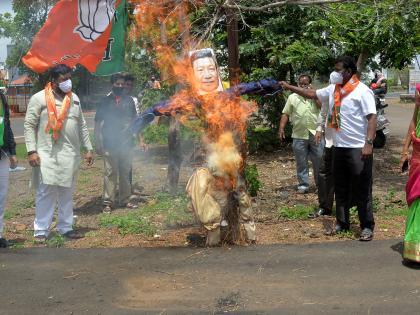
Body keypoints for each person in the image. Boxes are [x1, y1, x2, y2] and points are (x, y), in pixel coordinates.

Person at [132, 48, 283, 246]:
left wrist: (274, 85)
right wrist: (140, 122)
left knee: (242, 197)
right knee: (212, 196)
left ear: (217, 70)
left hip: (231, 156)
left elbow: (254, 87)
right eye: (201, 70)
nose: (208, 74)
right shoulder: (191, 101)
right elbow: (160, 108)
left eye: (211, 68)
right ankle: (214, 241)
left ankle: (248, 239)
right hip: (213, 160)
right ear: (193, 75)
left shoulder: (229, 94)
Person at [280, 56, 377, 241]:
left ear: (348, 71)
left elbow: (372, 118)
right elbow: (311, 94)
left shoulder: (362, 91)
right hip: (338, 147)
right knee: (340, 186)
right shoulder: (334, 89)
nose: (335, 73)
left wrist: (369, 143)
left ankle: (366, 226)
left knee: (362, 188)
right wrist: (289, 86)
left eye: (338, 70)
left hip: (358, 148)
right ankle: (342, 223)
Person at [24, 64, 93, 243]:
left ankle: (65, 228)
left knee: (66, 192)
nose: (67, 82)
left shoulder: (74, 99)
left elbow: (82, 125)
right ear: (53, 81)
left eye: (69, 78)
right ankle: (41, 230)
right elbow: (29, 125)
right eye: (63, 79)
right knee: (45, 192)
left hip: (70, 154)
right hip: (46, 153)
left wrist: (88, 148)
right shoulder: (38, 98)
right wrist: (31, 151)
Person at [95, 73, 138, 213]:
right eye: (117, 84)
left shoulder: (129, 101)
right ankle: (108, 202)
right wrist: (97, 142)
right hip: (109, 142)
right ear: (112, 84)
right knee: (110, 172)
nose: (120, 86)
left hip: (126, 143)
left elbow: (134, 120)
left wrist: (131, 130)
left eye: (122, 84)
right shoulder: (105, 101)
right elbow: (97, 122)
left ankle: (125, 199)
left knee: (125, 172)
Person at [279, 74, 323, 194]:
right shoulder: (292, 97)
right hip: (299, 134)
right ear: (298, 84)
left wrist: (314, 96)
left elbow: (322, 107)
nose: (303, 86)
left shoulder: (316, 96)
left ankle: (320, 185)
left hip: (316, 133)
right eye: (301, 84)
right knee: (301, 161)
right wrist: (281, 128)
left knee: (318, 160)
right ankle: (303, 185)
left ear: (310, 84)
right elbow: (286, 113)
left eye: (306, 84)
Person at [400, 83, 420, 262]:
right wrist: (404, 150)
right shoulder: (419, 89)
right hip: (418, 153)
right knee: (417, 196)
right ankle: (415, 248)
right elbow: (414, 121)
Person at [308, 98, 335, 218]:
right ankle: (325, 207)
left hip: (350, 144)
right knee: (323, 173)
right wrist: (319, 128)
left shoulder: (360, 91)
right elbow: (324, 111)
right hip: (331, 142)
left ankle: (348, 208)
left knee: (346, 175)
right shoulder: (331, 91)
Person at [0, 91, 17, 248]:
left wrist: (12, 152)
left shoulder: (2, 96)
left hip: (2, 153)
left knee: (1, 195)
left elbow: (7, 124)